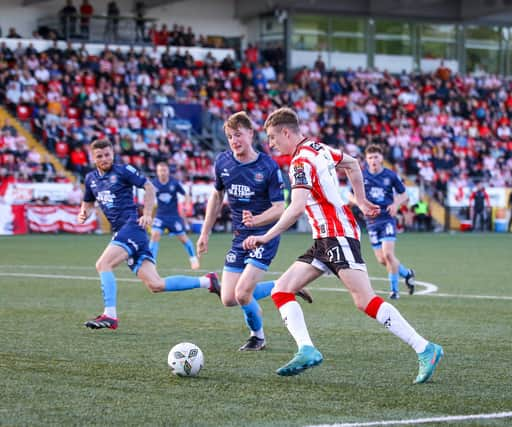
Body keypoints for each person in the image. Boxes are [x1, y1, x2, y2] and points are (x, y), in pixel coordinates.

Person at [243, 107, 443, 383]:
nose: (271, 143)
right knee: (281, 289)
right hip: (324, 238)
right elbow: (352, 164)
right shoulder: (319, 148)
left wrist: (266, 235)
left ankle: (425, 348)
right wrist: (360, 200)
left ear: (286, 132)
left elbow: (296, 207)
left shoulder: (300, 161)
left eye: (272, 137)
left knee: (365, 300)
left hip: (336, 235)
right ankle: (306, 349)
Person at [196, 111, 311, 351]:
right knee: (228, 298)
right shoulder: (223, 162)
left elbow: (281, 208)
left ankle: (257, 336)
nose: (234, 140)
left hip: (264, 237)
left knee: (242, 293)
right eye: (229, 136)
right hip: (240, 237)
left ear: (251, 133)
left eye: (238, 134)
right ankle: (285, 284)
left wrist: (256, 220)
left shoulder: (267, 166)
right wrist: (204, 232)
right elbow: (216, 196)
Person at [77, 139, 219, 330]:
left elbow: (149, 187)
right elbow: (88, 201)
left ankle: (110, 315)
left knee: (103, 264)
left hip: (132, 228)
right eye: (99, 156)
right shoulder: (91, 179)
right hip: (124, 232)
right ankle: (207, 281)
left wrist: (147, 213)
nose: (104, 159)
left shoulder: (123, 170)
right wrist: (84, 212)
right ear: (92, 157)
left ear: (113, 154)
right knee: (156, 284)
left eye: (107, 154)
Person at [358, 144, 416, 300]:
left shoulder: (390, 175)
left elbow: (405, 195)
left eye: (376, 157)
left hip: (387, 220)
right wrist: (360, 204)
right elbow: (350, 194)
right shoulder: (362, 176)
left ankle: (394, 291)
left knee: (389, 255)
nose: (373, 160)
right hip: (371, 222)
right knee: (382, 260)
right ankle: (407, 273)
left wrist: (396, 203)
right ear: (366, 160)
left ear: (381, 158)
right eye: (370, 157)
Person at [149, 162, 199, 270]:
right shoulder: (154, 184)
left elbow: (185, 195)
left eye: (164, 170)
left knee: (183, 238)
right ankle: (151, 261)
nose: (162, 173)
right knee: (154, 235)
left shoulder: (174, 183)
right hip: (160, 216)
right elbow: (149, 197)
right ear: (157, 172)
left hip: (173, 216)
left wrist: (186, 204)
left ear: (168, 171)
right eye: (160, 171)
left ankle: (193, 259)